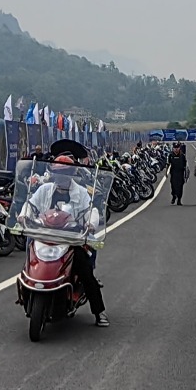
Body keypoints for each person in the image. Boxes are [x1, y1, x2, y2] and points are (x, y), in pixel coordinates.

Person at [36, 139, 111, 325]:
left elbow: (92, 210)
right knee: (30, 257)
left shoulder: (82, 193)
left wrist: (90, 224)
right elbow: (30, 205)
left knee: (86, 272)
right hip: (45, 237)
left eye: (65, 173)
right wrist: (23, 216)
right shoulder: (44, 190)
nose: (61, 177)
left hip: (72, 240)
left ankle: (99, 312)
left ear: (72, 174)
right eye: (58, 173)